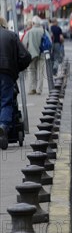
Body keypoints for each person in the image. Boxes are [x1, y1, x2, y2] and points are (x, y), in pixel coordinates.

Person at [0, 17, 32, 150]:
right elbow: (26, 56)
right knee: (6, 101)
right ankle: (3, 126)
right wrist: (16, 69)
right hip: (6, 73)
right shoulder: (11, 35)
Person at [22, 16, 47, 95]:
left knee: (31, 71)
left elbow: (24, 43)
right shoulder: (44, 31)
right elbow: (49, 42)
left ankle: (32, 88)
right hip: (42, 53)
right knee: (41, 72)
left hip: (32, 54)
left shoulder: (29, 32)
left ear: (33, 23)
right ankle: (39, 90)